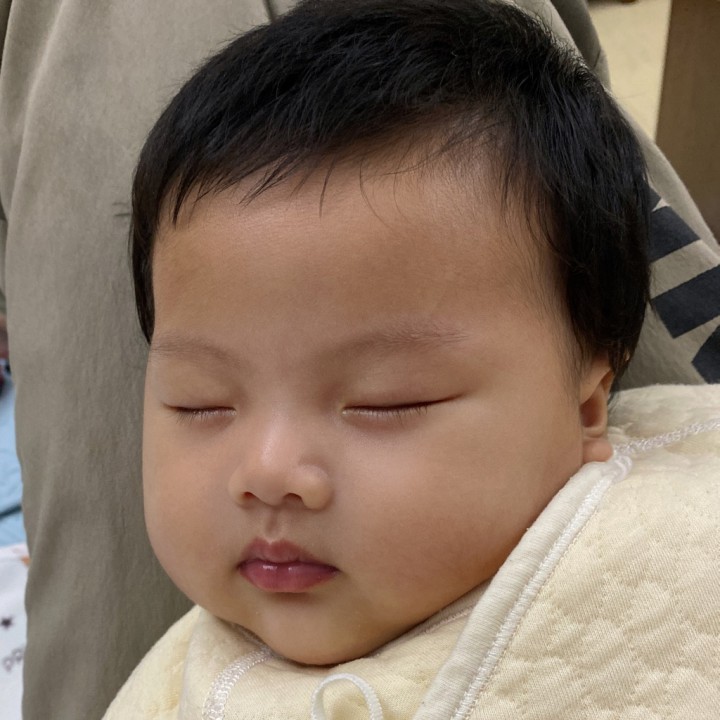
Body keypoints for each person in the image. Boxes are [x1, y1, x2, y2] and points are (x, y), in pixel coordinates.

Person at [101, 1, 720, 717]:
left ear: (585, 405)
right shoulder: (171, 686)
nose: (267, 473)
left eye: (385, 401)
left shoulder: (682, 549)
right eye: (199, 401)